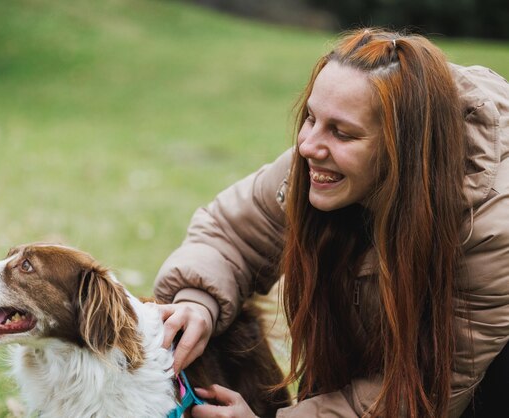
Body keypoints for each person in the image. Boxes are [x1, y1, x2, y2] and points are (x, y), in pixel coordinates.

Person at [153, 28, 509, 417]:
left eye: (342, 132)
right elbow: (229, 234)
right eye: (310, 118)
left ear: (405, 148)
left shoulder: (491, 227)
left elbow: (423, 395)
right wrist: (197, 302)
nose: (307, 146)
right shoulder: (318, 165)